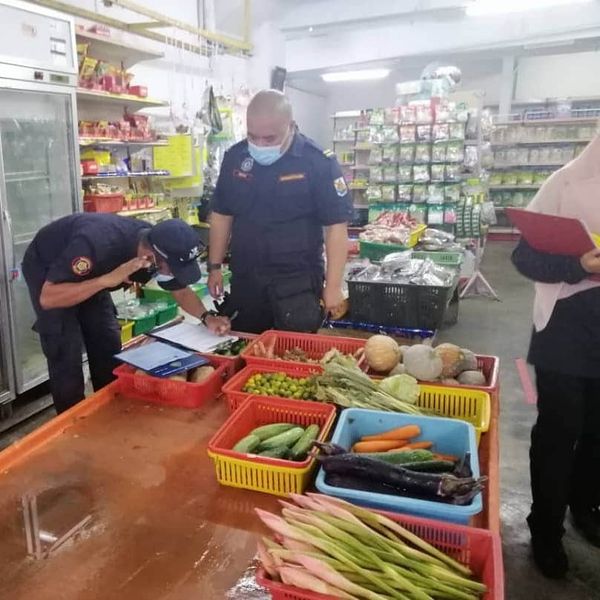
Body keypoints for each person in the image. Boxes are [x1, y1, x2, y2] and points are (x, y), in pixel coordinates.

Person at [22, 214, 231, 414]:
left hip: (97, 273)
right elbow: (48, 298)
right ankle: (71, 421)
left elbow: (181, 290)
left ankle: (110, 408)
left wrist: (207, 317)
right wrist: (105, 281)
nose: (176, 275)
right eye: (174, 270)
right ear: (150, 257)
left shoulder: (157, 244)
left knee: (107, 340)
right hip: (50, 274)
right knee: (65, 349)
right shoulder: (96, 243)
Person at [512, 136, 600, 578]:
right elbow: (525, 257)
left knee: (597, 432)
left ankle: (585, 506)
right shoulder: (565, 184)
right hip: (566, 329)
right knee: (559, 432)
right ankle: (546, 528)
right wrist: (579, 266)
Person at [207, 89, 352, 334]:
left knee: (296, 351)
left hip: (296, 283)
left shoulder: (317, 162)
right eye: (253, 137)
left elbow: (336, 226)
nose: (260, 145)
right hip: (247, 280)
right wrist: (214, 267)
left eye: (269, 138)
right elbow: (222, 214)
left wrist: (333, 286)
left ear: (291, 126)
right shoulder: (236, 157)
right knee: (247, 346)